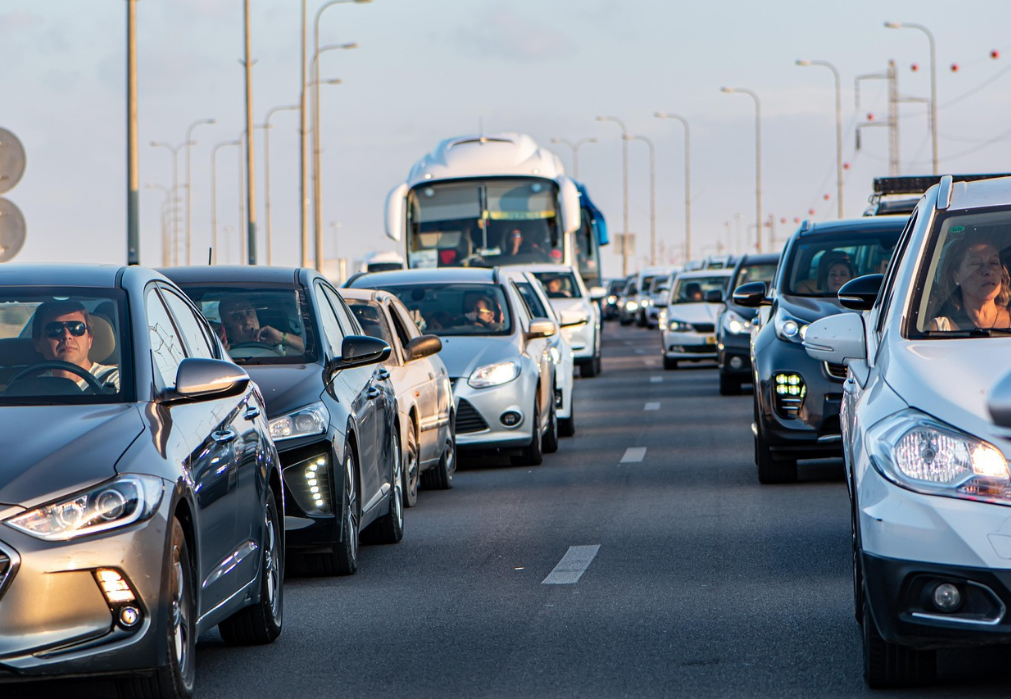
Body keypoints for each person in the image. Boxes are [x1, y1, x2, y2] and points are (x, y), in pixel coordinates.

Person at [31, 300, 120, 391]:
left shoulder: (116, 381)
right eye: (54, 329)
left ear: (89, 339)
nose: (67, 335)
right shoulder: (32, 388)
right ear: (37, 343)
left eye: (77, 328)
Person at [929, 238, 1011, 331]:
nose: (988, 271)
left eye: (994, 263)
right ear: (956, 276)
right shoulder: (938, 329)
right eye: (976, 263)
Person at [219, 295, 305, 354]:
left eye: (249, 313)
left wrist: (281, 337)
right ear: (226, 329)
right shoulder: (222, 355)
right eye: (237, 317)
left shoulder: (281, 347)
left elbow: (310, 351)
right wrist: (220, 354)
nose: (247, 321)